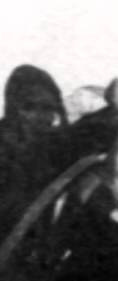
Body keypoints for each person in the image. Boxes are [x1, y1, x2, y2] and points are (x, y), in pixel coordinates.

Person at [0, 65, 72, 242]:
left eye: (48, 109)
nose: (40, 117)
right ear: (13, 106)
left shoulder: (48, 148)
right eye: (29, 107)